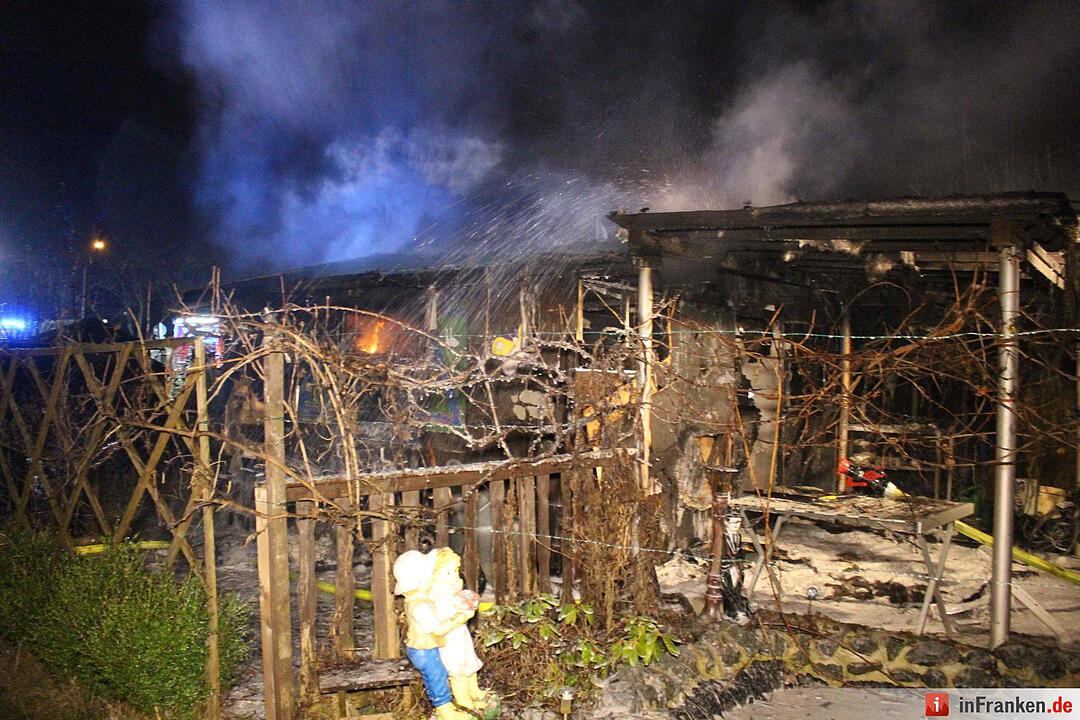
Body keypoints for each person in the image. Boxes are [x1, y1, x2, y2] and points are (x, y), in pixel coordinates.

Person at [393, 549, 474, 720]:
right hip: (424, 650)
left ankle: (446, 706)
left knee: (437, 676)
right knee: (437, 677)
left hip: (426, 647)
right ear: (421, 581)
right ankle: (445, 710)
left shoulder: (419, 600)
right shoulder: (420, 606)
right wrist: (462, 617)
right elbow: (438, 630)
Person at [430, 547, 490, 710]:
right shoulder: (438, 597)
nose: (454, 576)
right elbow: (445, 619)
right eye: (448, 572)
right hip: (450, 640)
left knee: (469, 663)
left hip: (461, 635)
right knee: (459, 670)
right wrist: (464, 615)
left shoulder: (450, 591)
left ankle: (474, 691)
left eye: (456, 571)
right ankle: (463, 700)